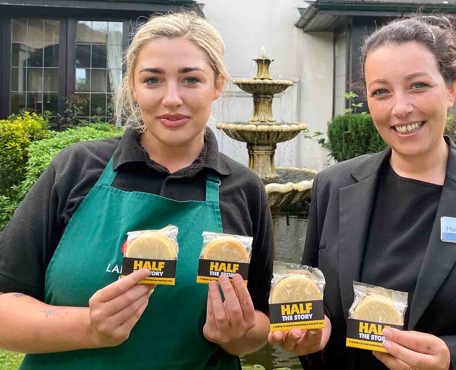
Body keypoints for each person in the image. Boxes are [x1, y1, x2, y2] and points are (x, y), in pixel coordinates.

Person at [269, 14, 456, 370]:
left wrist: (455, 359)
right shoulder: (334, 186)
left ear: (451, 88)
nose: (400, 108)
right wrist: (312, 336)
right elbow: (319, 309)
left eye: (418, 85)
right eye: (381, 91)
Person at [0, 11, 273, 370]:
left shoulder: (244, 188)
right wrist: (90, 327)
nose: (172, 98)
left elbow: (261, 324)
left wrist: (238, 334)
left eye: (191, 80)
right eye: (153, 80)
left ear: (218, 84)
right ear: (132, 84)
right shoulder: (76, 169)